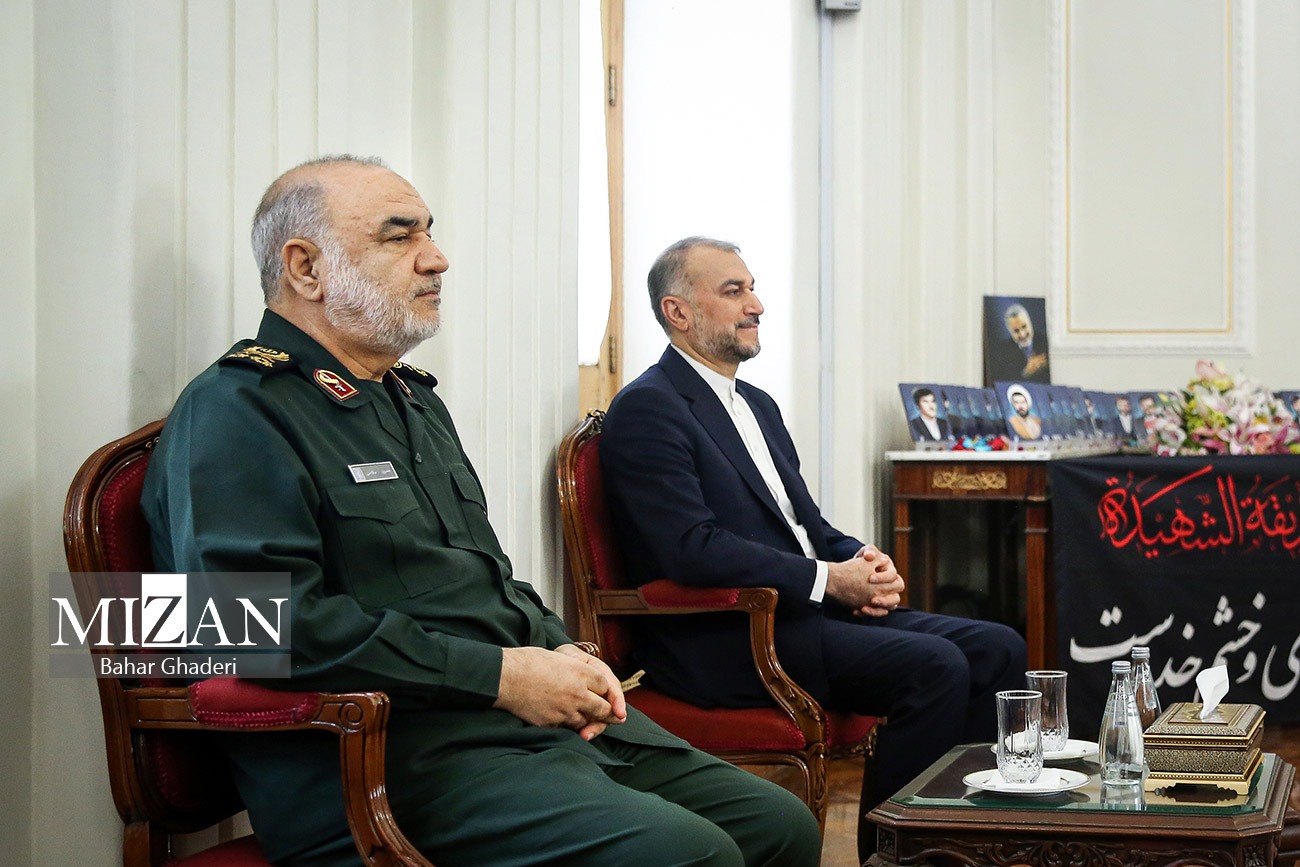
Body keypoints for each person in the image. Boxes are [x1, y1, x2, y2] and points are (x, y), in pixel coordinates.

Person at [140, 160, 820, 867]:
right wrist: (504, 676)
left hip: (515, 727)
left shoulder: (412, 401)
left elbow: (483, 578)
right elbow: (259, 629)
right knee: (692, 854)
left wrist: (561, 653)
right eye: (400, 237)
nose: (436, 258)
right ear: (306, 268)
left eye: (429, 233)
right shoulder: (236, 410)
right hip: (390, 758)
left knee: (779, 824)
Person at [599, 237, 1026, 863]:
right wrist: (829, 579)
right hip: (733, 635)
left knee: (999, 647)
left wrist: (863, 562)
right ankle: (896, 856)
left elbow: (806, 526)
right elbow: (691, 549)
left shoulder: (758, 405)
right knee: (935, 666)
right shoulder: (648, 408)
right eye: (734, 291)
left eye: (752, 288)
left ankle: (971, 842)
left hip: (806, 612)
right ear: (677, 312)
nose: (756, 305)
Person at [986, 302, 1050, 385]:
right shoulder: (1002, 351)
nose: (1022, 334)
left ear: (1030, 322)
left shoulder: (1044, 341)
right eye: (1016, 331)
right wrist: (1026, 372)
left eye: (1024, 327)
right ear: (1010, 331)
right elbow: (1001, 383)